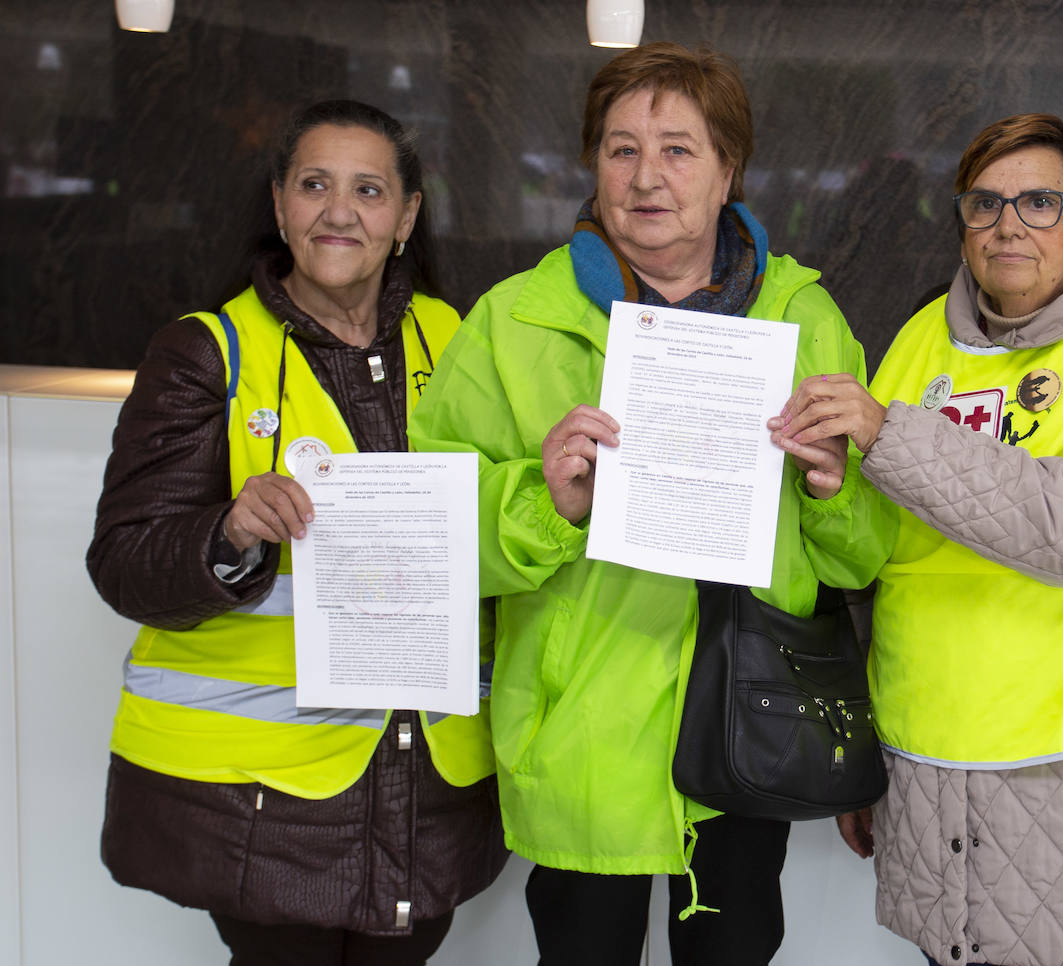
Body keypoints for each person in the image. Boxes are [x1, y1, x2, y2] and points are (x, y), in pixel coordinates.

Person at [409, 42, 894, 966]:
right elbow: (432, 529)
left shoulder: (806, 319)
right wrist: (542, 499)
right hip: (579, 725)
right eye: (621, 149)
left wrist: (834, 490)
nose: (646, 177)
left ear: (726, 172)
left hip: (749, 724)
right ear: (592, 167)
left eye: (678, 149)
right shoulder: (514, 321)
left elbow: (864, 554)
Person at [770, 113, 1063, 966]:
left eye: (1039, 201)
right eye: (984, 204)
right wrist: (861, 753)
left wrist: (891, 438)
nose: (1007, 225)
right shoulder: (921, 342)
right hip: (932, 759)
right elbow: (879, 559)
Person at [87, 99, 507, 965]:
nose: (340, 210)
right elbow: (124, 562)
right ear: (280, 206)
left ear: (407, 217)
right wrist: (227, 532)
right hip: (260, 798)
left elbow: (501, 521)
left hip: (426, 777)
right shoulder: (207, 351)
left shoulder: (456, 338)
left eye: (368, 189)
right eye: (315, 185)